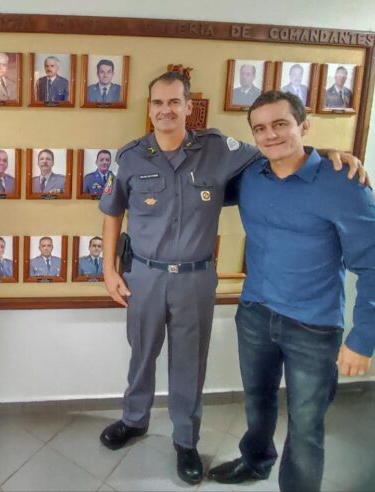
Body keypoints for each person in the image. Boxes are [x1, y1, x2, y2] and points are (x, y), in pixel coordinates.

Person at [97, 71, 365, 486]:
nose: (165, 110)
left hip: (196, 278)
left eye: (174, 102)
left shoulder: (220, 149)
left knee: (190, 364)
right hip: (144, 275)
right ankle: (134, 420)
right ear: (149, 108)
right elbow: (112, 209)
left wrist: (328, 153)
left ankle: (186, 442)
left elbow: (281, 154)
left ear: (190, 106)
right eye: (157, 103)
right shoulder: (130, 156)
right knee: (141, 354)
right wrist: (109, 268)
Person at [206, 91, 375, 492]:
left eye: (281, 124)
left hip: (314, 328)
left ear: (304, 125)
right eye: (261, 129)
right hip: (256, 315)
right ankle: (255, 461)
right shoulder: (250, 178)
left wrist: (363, 339)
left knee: (306, 424)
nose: (271, 135)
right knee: (258, 403)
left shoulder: (345, 184)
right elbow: (196, 190)